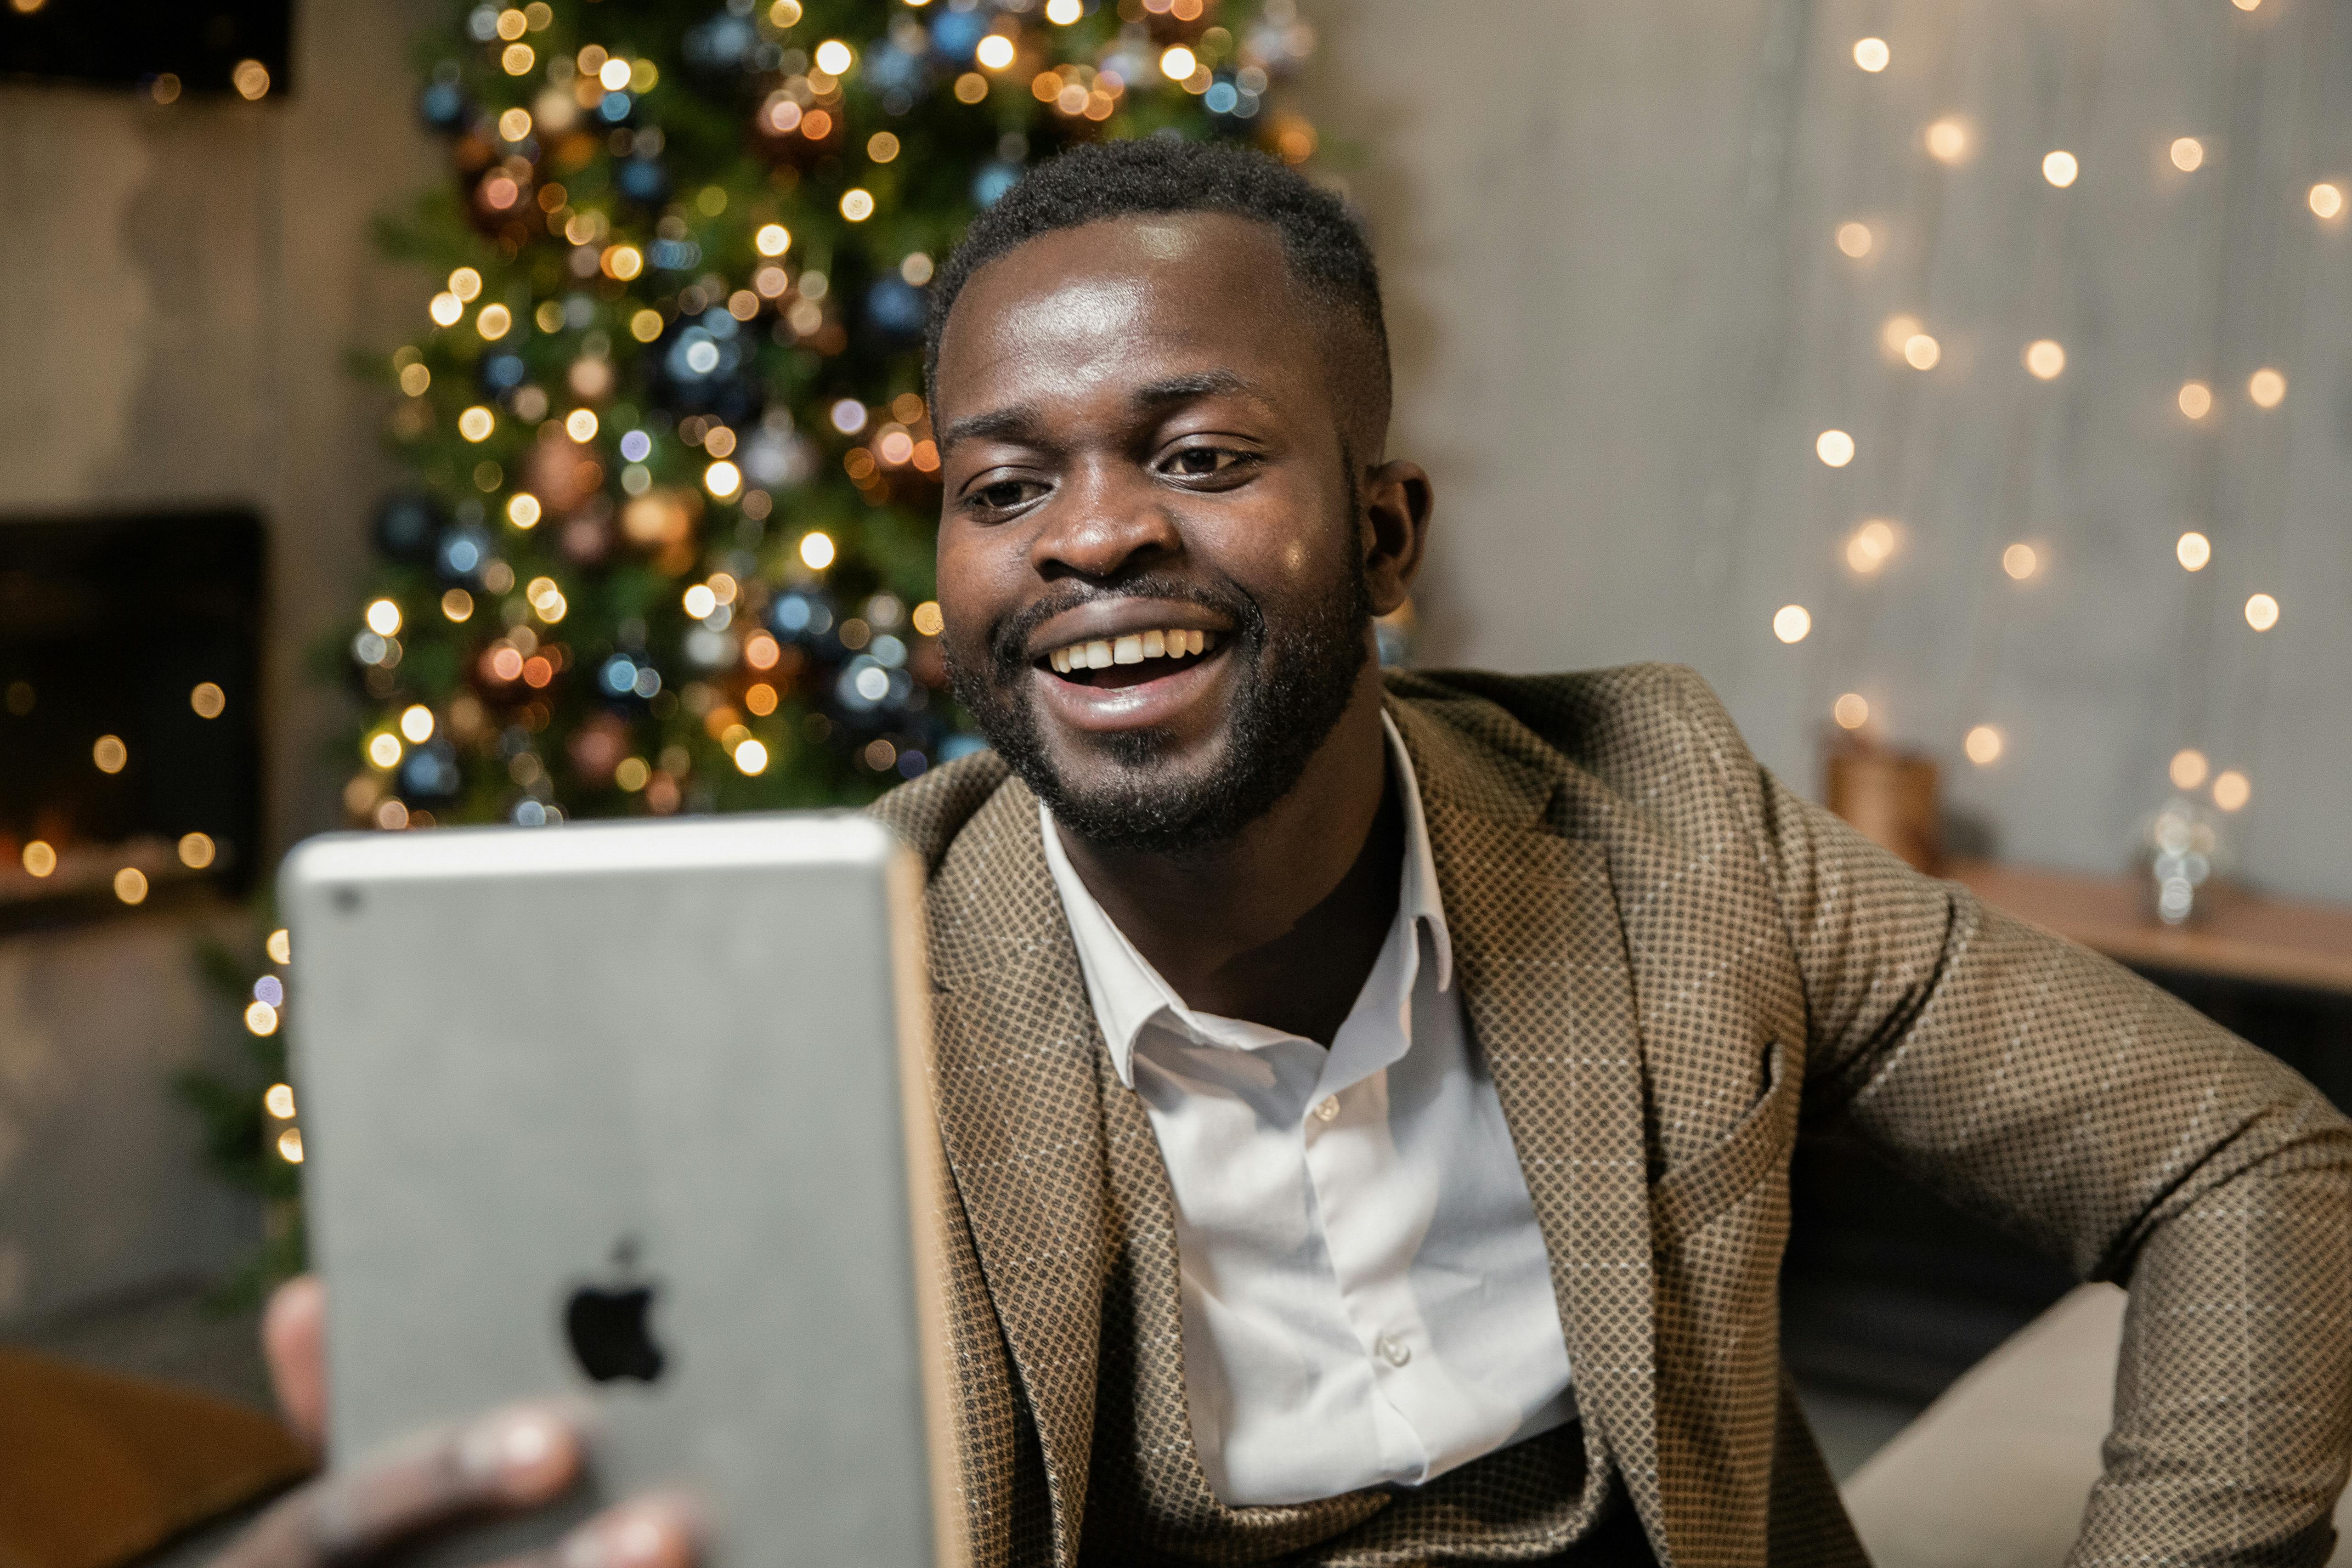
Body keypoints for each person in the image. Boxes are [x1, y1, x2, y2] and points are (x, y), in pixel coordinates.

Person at [219, 139, 2352, 1568]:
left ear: (1385, 531)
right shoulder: (834, 984)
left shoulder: (1663, 815)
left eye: (1199, 452)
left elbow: (2250, 1165)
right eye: (1001, 481)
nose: (1090, 535)